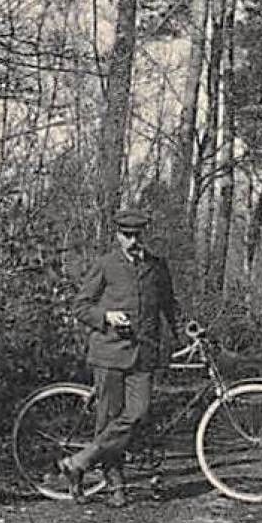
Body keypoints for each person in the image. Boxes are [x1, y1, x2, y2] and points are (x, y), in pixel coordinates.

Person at [60, 207, 179, 507]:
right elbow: (80, 306)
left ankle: (80, 461)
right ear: (117, 236)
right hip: (110, 353)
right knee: (109, 420)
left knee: (137, 413)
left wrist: (185, 331)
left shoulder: (157, 267)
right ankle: (116, 485)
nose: (133, 241)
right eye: (127, 236)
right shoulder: (106, 265)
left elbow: (169, 306)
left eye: (137, 235)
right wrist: (107, 316)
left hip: (144, 355)